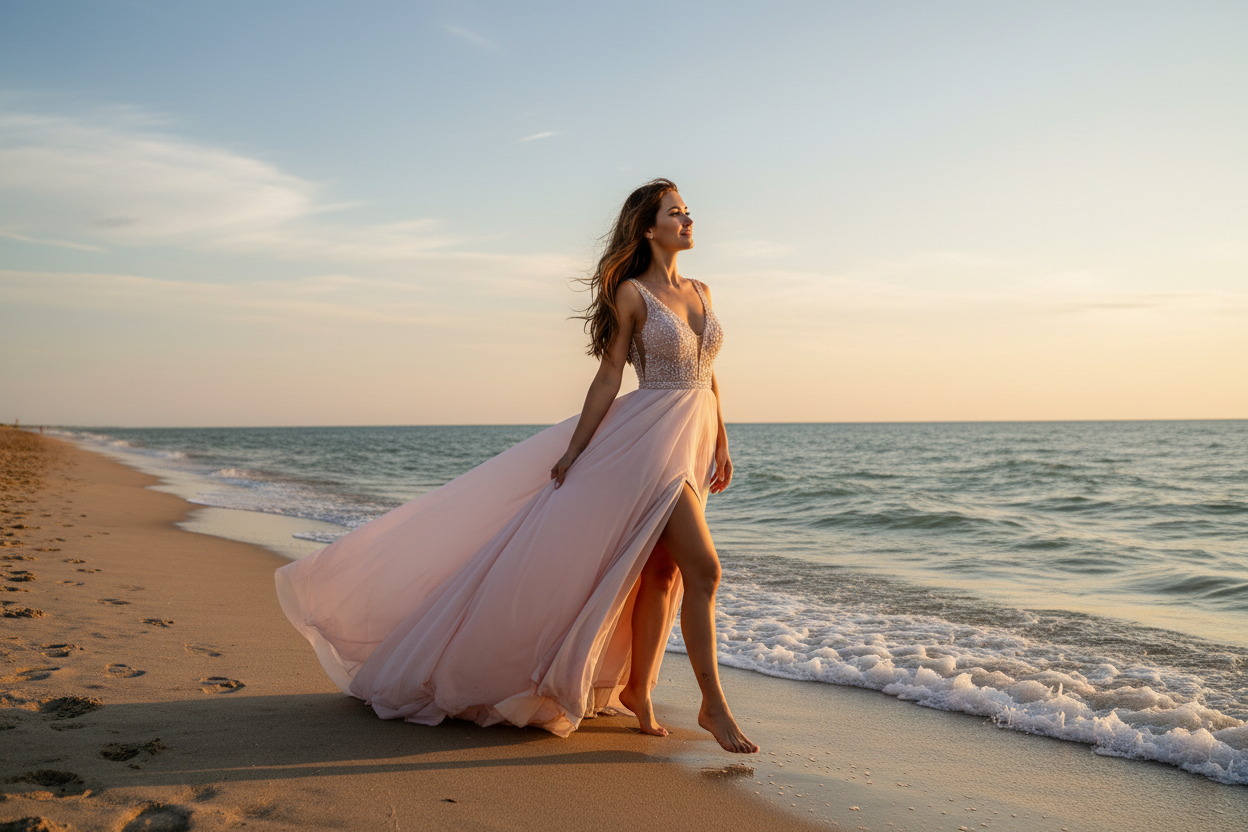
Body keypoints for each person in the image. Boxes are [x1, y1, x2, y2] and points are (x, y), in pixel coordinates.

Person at [276, 178, 757, 754]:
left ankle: (640, 691)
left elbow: (708, 374)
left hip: (696, 440)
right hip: (649, 448)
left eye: (688, 211)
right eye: (675, 213)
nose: (688, 220)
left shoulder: (703, 290)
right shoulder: (632, 295)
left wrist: (723, 440)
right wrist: (577, 449)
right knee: (705, 569)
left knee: (665, 574)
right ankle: (713, 705)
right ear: (648, 228)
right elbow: (608, 375)